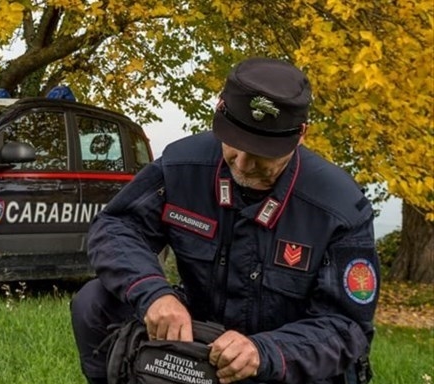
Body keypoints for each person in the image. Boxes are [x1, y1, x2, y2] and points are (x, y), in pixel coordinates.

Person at [70, 57, 379, 384]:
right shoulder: (181, 165)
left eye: (263, 150)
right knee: (95, 302)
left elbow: (346, 328)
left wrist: (266, 352)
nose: (243, 163)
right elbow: (116, 227)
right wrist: (154, 293)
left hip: (282, 361)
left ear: (301, 135)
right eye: (235, 142)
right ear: (219, 110)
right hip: (203, 344)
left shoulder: (340, 207)